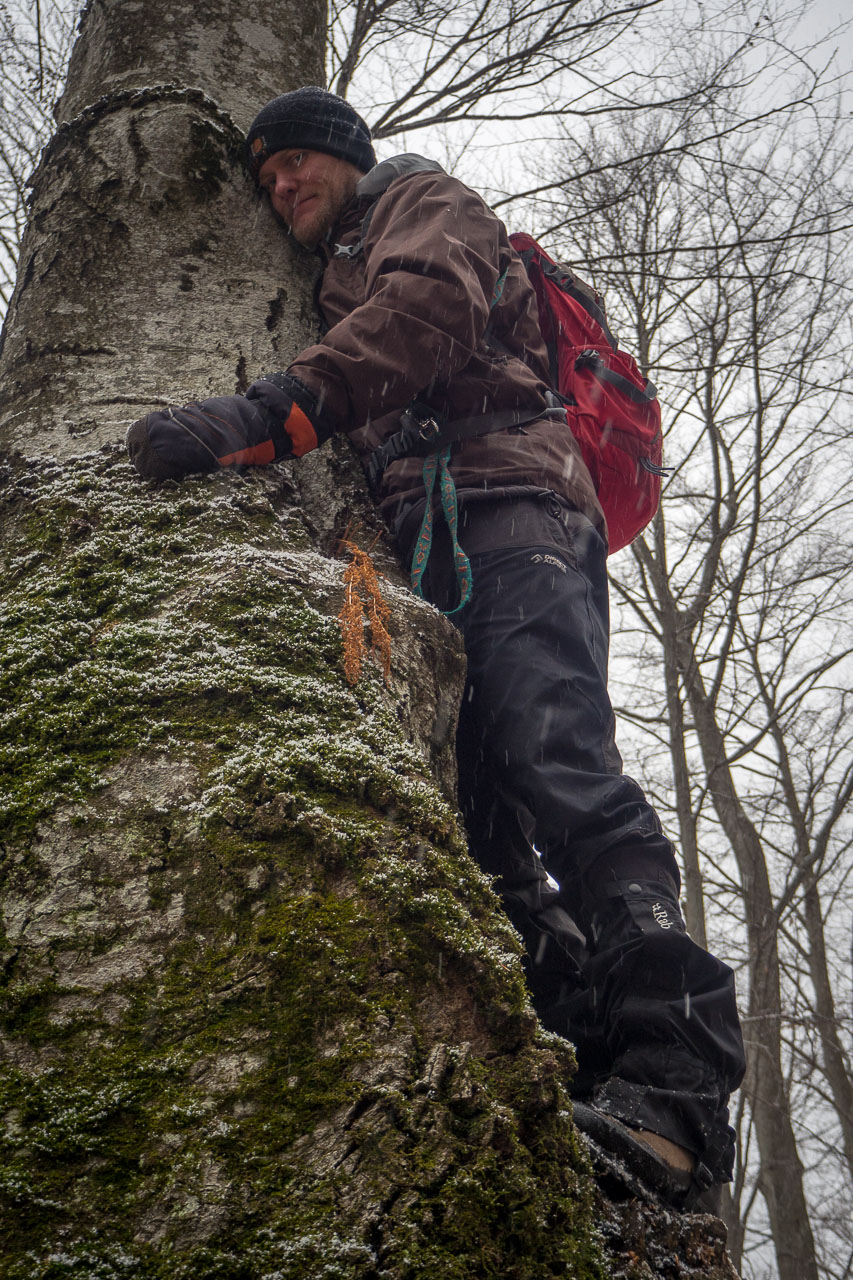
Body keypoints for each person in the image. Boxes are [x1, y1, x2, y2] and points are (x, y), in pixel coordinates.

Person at [126, 86, 745, 1209]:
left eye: (298, 161)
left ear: (348, 157)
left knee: (553, 760)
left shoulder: (422, 199)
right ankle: (587, 1072)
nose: (281, 184)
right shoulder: (336, 259)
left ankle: (682, 1085)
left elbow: (426, 306)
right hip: (437, 547)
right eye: (264, 178)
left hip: (509, 505)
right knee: (486, 834)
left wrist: (273, 412)